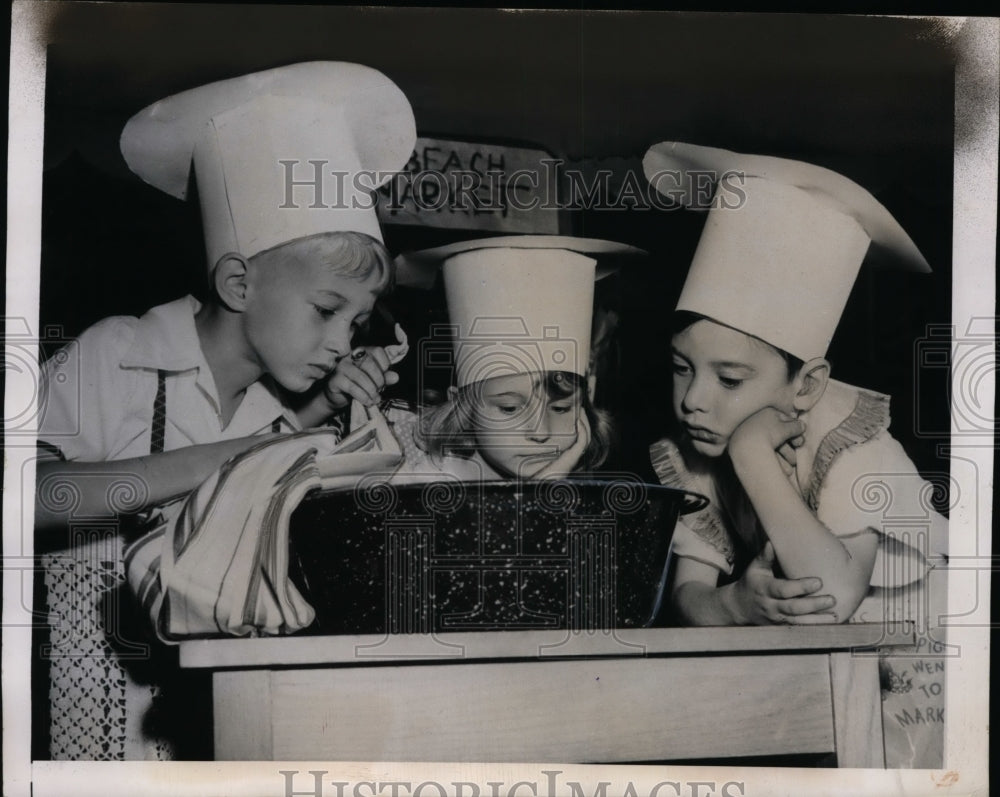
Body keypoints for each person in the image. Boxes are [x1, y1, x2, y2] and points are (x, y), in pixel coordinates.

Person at [34, 61, 416, 759]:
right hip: (101, 733)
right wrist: (238, 458)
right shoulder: (118, 353)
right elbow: (30, 494)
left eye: (356, 323)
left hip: (232, 731)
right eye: (327, 310)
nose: (341, 341)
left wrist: (318, 423)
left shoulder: (282, 404)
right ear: (238, 281)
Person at [643, 141, 948, 767]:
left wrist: (754, 455)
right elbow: (687, 594)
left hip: (926, 675)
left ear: (805, 386)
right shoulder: (695, 453)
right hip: (830, 679)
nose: (693, 401)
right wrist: (732, 604)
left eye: (729, 380)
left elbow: (830, 600)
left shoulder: (861, 448)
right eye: (680, 369)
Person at [386, 236, 642, 482]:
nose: (541, 433)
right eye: (510, 408)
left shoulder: (582, 489)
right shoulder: (422, 481)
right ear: (463, 406)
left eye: (561, 408)